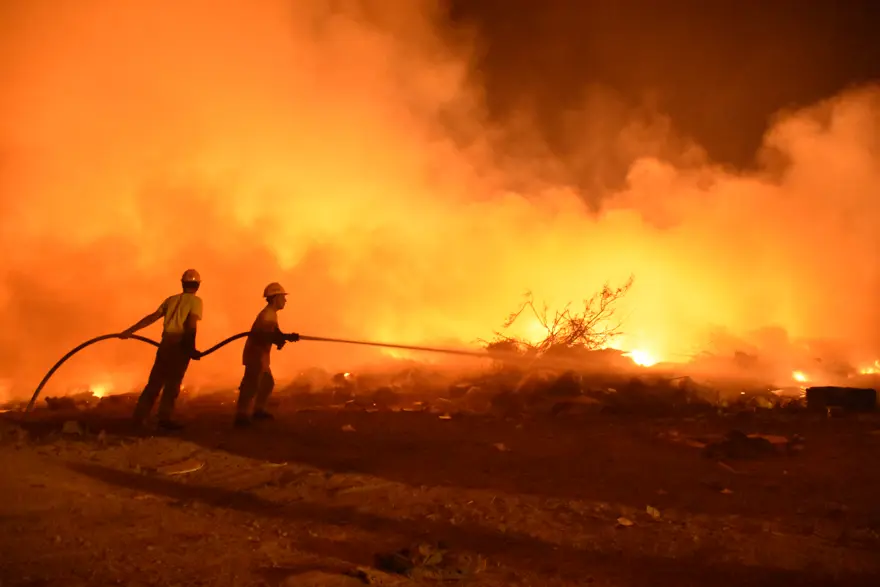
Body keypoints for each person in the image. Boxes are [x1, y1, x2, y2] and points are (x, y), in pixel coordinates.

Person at [121, 268, 204, 430]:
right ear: (197, 286)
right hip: (180, 344)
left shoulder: (171, 300)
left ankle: (139, 417)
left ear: (182, 283)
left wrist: (130, 331)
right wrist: (191, 348)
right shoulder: (196, 302)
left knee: (155, 382)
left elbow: (152, 317)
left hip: (166, 343)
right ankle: (164, 419)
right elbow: (191, 325)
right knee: (173, 384)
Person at [235, 282, 299, 427]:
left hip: (261, 354)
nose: (285, 300)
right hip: (256, 355)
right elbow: (266, 335)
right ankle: (241, 415)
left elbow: (274, 333)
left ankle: (258, 410)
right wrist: (284, 338)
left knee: (267, 383)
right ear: (275, 298)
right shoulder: (267, 315)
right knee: (251, 385)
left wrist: (285, 337)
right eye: (283, 297)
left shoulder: (270, 314)